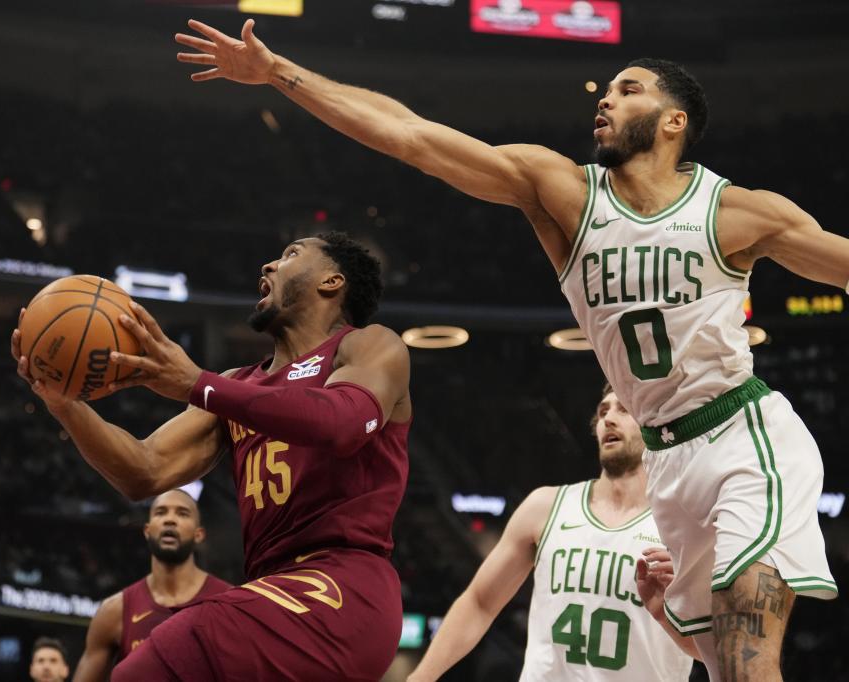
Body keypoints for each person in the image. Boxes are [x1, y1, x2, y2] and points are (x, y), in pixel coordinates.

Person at [174, 21, 841, 681]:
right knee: (723, 668)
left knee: (751, 660)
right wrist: (279, 73)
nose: (604, 100)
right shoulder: (564, 194)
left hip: (741, 435)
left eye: (627, 89)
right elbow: (411, 136)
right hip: (667, 459)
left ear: (673, 122)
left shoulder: (739, 213)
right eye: (604, 89)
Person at [11, 231, 412, 681]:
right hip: (273, 588)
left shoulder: (369, 346)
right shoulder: (237, 383)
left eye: (291, 254)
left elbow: (340, 424)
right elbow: (143, 471)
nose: (268, 266)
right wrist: (65, 405)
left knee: (175, 648)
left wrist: (198, 384)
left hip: (344, 589)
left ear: (332, 282)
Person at [408, 385, 696, 681]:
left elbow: (716, 643)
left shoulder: (684, 525)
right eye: (602, 411)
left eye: (623, 409)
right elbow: (479, 602)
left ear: (654, 424)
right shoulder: (545, 507)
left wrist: (677, 614)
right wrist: (419, 679)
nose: (608, 418)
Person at [73, 489, 231, 680]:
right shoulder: (114, 611)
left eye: (182, 513)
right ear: (147, 531)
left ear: (199, 534)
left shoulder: (228, 604)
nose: (170, 520)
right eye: (160, 512)